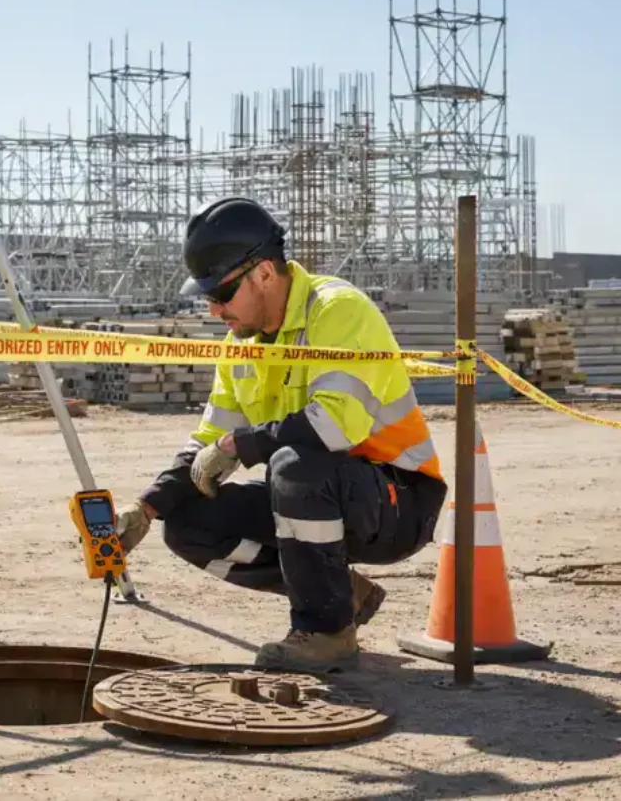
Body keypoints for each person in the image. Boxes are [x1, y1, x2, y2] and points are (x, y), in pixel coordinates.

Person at [115, 197, 448, 673]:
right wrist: (147, 506)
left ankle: (327, 632)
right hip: (314, 494)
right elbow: (211, 437)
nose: (213, 310)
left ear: (265, 273)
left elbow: (334, 426)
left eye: (222, 295)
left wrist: (241, 446)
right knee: (188, 524)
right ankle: (341, 596)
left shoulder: (336, 311)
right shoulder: (241, 345)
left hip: (397, 501)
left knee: (294, 465)